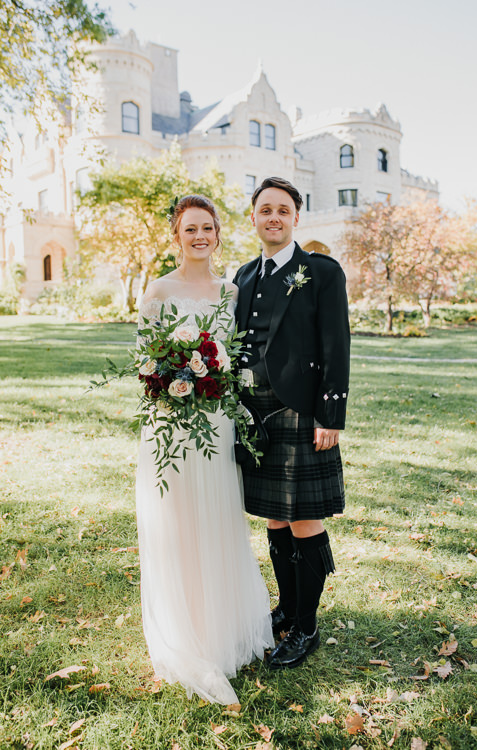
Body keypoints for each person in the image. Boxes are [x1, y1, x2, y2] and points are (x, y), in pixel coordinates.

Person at [135, 194, 273, 704]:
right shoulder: (158, 290)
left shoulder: (230, 293)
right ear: (177, 235)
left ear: (218, 234)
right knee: (177, 519)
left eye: (207, 228)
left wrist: (209, 383)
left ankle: (220, 628)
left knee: (215, 517)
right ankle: (184, 630)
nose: (199, 236)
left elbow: (236, 359)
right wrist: (173, 380)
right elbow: (146, 366)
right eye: (190, 228)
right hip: (170, 425)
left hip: (215, 423)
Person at [233, 177, 350, 670]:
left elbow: (336, 343)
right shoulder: (241, 275)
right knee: (276, 518)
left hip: (302, 413)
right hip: (254, 416)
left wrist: (331, 413)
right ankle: (287, 607)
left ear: (296, 217)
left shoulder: (320, 271)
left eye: (283, 210)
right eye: (265, 210)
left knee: (304, 519)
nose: (273, 218)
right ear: (254, 218)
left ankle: (307, 626)